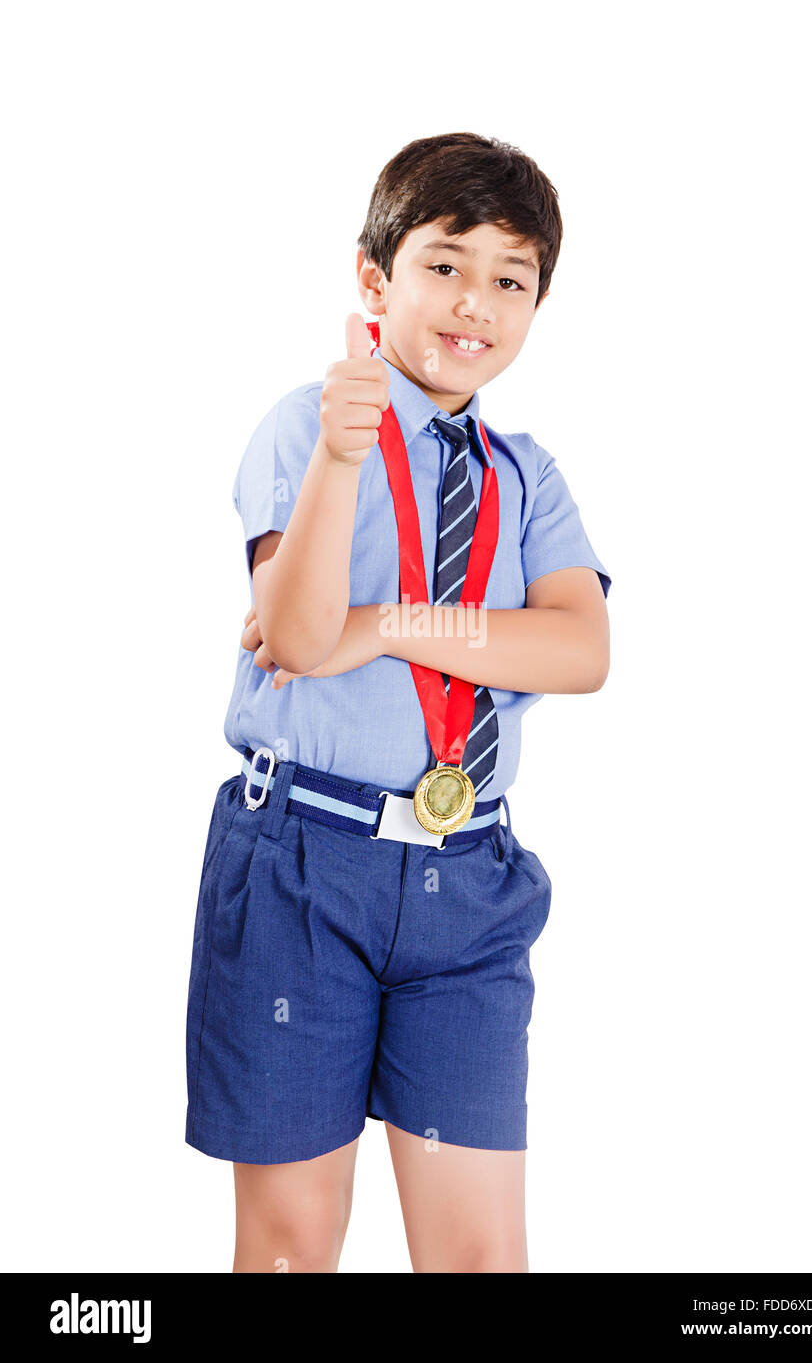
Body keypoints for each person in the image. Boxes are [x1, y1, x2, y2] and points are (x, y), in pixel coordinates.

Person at [185, 132, 612, 1273]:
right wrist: (339, 455)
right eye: (443, 264)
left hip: (466, 882)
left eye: (508, 279)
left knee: (478, 1256)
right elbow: (296, 633)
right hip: (302, 863)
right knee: (290, 1241)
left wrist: (390, 626)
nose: (474, 302)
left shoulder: (526, 475)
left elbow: (578, 648)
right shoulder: (310, 424)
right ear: (373, 278)